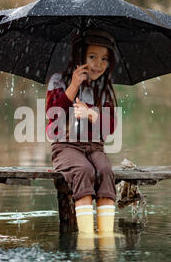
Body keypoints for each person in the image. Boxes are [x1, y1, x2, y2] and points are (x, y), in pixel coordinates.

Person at [45, 29, 118, 237]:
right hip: (66, 146)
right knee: (84, 170)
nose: (98, 64)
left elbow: (110, 127)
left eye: (104, 58)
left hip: (95, 146)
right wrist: (74, 85)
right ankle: (86, 237)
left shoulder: (103, 88)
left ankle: (106, 236)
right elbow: (54, 117)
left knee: (104, 169)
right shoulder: (59, 80)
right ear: (80, 57)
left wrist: (92, 114)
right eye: (92, 57)